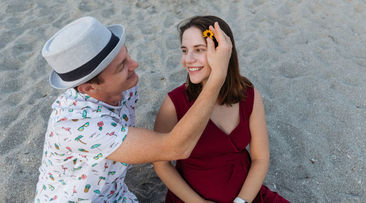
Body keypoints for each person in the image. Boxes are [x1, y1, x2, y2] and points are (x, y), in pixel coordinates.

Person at [35, 16, 232, 202]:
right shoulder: (79, 125)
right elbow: (176, 148)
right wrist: (217, 78)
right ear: (88, 88)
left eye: (127, 54)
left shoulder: (124, 86)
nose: (134, 65)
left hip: (115, 193)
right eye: (121, 67)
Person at [153, 16, 290, 203]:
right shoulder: (174, 103)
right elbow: (161, 164)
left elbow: (260, 158)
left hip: (247, 195)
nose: (188, 60)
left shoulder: (249, 95)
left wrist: (242, 201)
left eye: (199, 50)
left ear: (223, 52)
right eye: (184, 51)